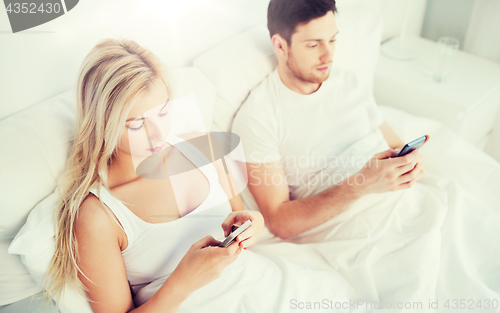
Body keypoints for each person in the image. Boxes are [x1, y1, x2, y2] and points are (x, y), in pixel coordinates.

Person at [37, 37, 359, 313]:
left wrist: (254, 226)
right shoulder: (98, 215)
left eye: (162, 112)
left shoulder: (198, 148)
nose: (157, 134)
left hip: (271, 290)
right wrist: (183, 281)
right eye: (136, 124)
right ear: (101, 123)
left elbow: (245, 219)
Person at [231, 0, 429, 240]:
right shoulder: (258, 117)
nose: (328, 55)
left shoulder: (349, 82)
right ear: (281, 46)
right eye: (313, 45)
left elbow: (394, 143)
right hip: (361, 229)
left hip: (411, 202)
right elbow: (278, 221)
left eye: (332, 40)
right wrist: (360, 184)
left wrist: (410, 164)